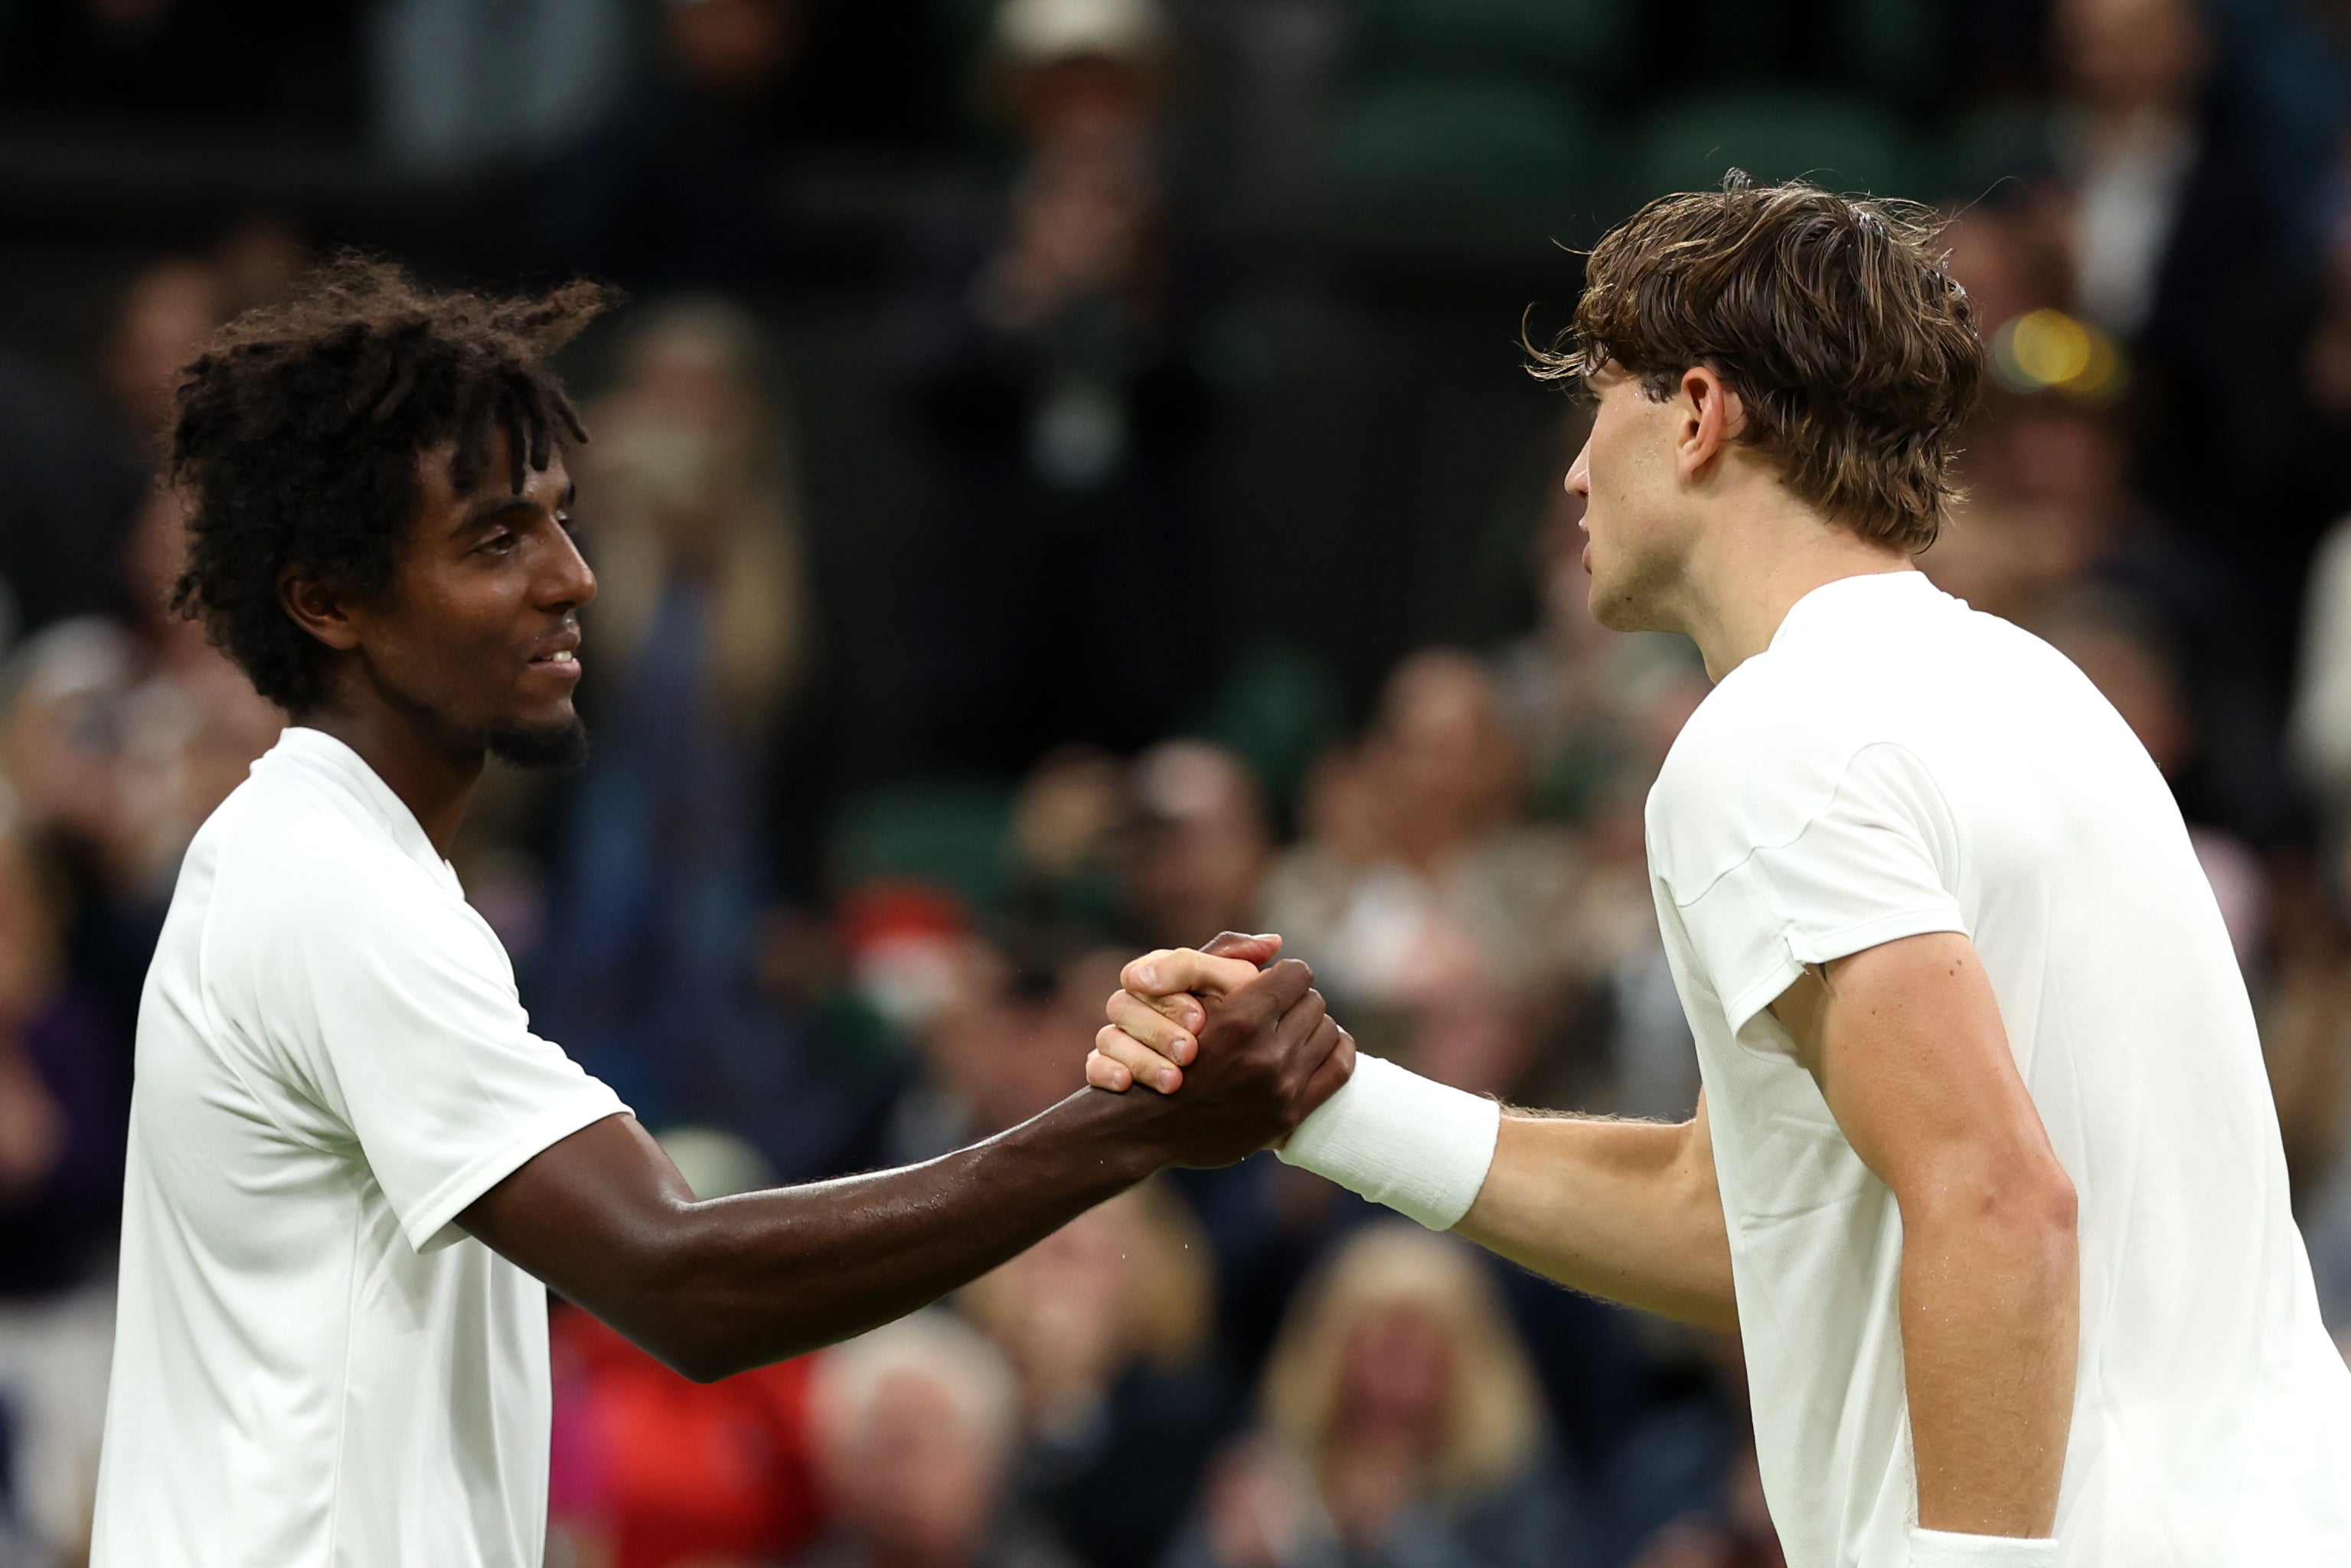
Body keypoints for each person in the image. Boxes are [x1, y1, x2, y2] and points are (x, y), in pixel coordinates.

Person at [1090, 178, 2351, 1566]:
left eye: (1598, 404)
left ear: (1697, 414)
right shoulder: (2046, 694)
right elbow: (1736, 1221)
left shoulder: (1773, 740)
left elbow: (1998, 1198)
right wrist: (1325, 1102)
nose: (1574, 473)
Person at [85, 256, 1353, 1568]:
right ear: (326, 601)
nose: (574, 578)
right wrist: (1128, 1134)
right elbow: (680, 1277)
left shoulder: (341, 867)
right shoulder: (325, 885)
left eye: (564, 520)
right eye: (495, 539)